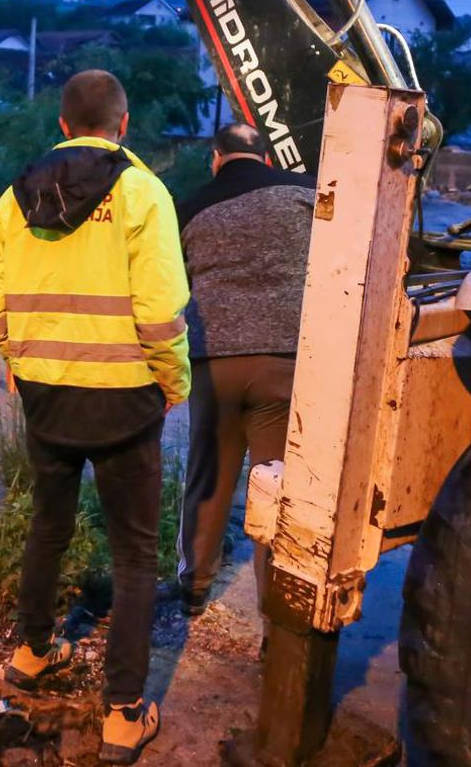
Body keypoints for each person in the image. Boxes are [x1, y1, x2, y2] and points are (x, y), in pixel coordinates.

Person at [0, 69, 190, 766]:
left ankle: (32, 653)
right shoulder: (143, 193)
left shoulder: (19, 193)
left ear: (64, 125)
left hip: (45, 393)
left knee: (49, 524)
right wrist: (173, 380)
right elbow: (160, 313)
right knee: (133, 556)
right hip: (127, 400)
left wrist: (21, 356)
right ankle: (124, 716)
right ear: (122, 126)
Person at [174, 123, 314, 621]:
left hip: (215, 365)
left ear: (217, 157)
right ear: (265, 156)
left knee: (209, 478)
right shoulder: (306, 195)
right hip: (285, 363)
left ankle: (194, 586)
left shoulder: (190, 206)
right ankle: (276, 618)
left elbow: (173, 285)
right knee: (276, 491)